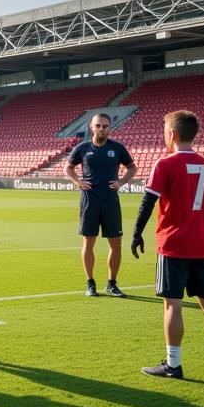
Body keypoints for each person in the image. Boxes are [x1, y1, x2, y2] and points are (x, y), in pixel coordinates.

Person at [131, 109, 204, 380]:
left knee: (172, 305)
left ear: (173, 134)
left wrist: (136, 233)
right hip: (202, 245)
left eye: (165, 131)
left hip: (174, 245)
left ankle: (173, 365)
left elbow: (147, 202)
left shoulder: (165, 164)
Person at [64, 112, 135, 298]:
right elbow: (68, 167)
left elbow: (132, 167)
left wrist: (121, 182)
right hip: (89, 201)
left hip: (110, 201)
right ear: (91, 127)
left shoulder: (118, 148)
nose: (101, 129)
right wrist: (78, 182)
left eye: (105, 126)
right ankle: (90, 283)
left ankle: (112, 283)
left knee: (116, 244)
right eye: (98, 126)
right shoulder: (82, 148)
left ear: (110, 127)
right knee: (88, 242)